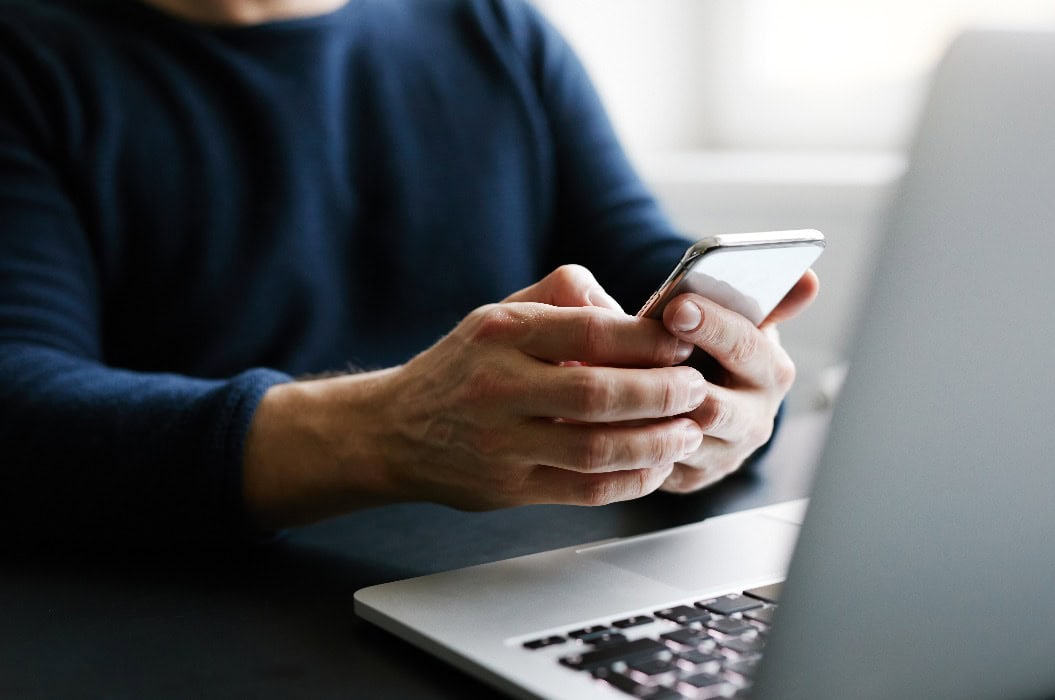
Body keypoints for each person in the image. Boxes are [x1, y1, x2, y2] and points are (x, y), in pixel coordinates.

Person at [0, 0, 819, 546]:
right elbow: (20, 404)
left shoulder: (489, 26)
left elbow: (638, 258)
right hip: (186, 609)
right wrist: (381, 436)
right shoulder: (29, 55)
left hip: (521, 577)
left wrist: (725, 391)